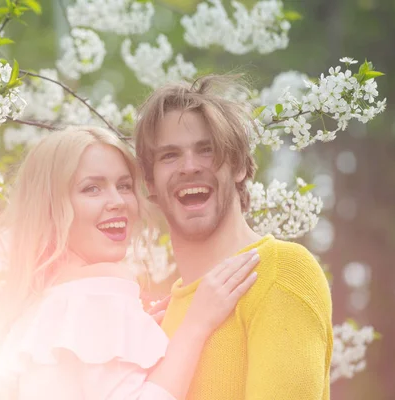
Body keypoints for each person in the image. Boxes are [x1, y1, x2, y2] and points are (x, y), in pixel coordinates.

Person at [0, 125, 260, 399]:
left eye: (124, 186)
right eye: (92, 188)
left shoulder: (44, 308)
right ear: (50, 206)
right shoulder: (98, 291)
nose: (118, 201)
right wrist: (195, 325)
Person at [134, 75, 333, 399]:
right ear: (151, 184)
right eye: (169, 156)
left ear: (239, 165)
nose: (189, 166)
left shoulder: (281, 272)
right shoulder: (162, 320)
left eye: (207, 150)